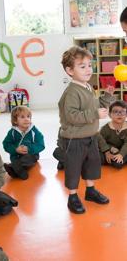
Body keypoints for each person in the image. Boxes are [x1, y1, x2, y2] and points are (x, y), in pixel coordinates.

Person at [59, 46, 115, 214]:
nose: (88, 69)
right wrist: (94, 113)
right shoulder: (71, 92)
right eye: (82, 66)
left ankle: (90, 191)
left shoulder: (88, 87)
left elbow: (96, 107)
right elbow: (72, 116)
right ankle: (72, 196)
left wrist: (106, 97)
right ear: (69, 70)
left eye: (89, 65)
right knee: (74, 168)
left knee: (92, 165)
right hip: (73, 139)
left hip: (90, 136)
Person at [3, 106, 45, 180]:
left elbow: (41, 145)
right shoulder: (12, 132)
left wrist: (29, 149)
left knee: (28, 158)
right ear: (15, 121)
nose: (26, 119)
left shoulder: (34, 131)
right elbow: (6, 144)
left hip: (30, 155)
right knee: (16, 162)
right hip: (15, 157)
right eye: (22, 117)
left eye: (28, 116)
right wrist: (15, 149)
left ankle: (13, 167)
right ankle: (16, 171)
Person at [98, 100, 127, 169]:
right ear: (110, 115)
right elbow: (101, 142)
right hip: (110, 150)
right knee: (97, 157)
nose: (119, 114)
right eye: (115, 112)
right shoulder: (105, 128)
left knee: (118, 163)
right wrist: (109, 149)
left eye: (122, 112)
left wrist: (121, 154)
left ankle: (119, 160)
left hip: (124, 150)